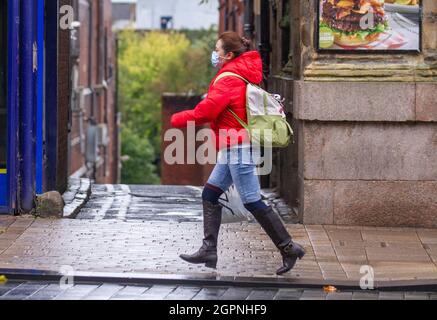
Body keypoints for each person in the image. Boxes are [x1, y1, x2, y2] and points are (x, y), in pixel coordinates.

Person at [170, 31, 305, 276]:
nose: (214, 54)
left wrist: (178, 118)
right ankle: (208, 249)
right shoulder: (238, 74)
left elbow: (207, 112)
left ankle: (288, 247)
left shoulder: (228, 79)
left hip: (238, 146)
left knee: (252, 199)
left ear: (228, 54)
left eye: (217, 50)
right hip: (233, 145)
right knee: (211, 194)